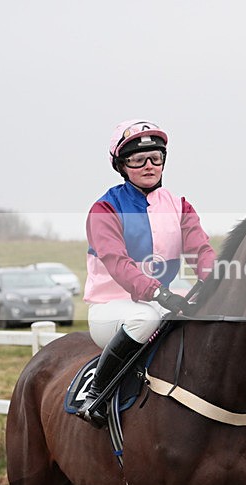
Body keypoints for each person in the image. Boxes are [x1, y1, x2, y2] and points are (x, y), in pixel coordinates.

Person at [77, 119, 216, 428]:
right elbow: (117, 262)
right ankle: (96, 394)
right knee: (146, 319)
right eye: (138, 160)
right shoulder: (104, 209)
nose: (149, 165)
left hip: (159, 300)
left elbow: (201, 250)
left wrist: (216, 278)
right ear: (122, 165)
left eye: (156, 158)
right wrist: (157, 292)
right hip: (111, 308)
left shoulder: (180, 205)